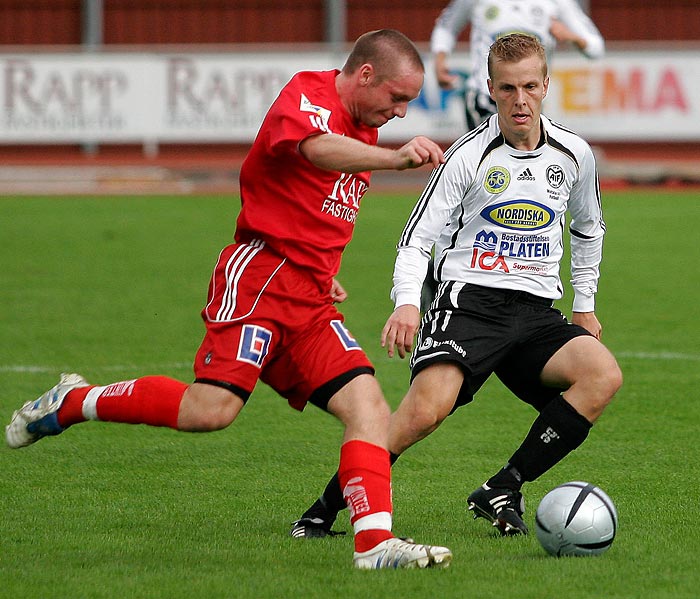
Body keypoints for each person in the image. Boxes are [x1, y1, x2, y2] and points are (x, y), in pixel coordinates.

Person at [5, 29, 454, 570]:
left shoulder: (362, 128)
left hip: (308, 296)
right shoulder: (310, 96)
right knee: (210, 411)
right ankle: (73, 402)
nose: (402, 113)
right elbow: (315, 150)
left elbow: (314, 205)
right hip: (260, 279)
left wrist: (320, 270)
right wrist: (395, 160)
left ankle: (374, 546)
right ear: (364, 75)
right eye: (397, 98)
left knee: (369, 407)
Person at [290, 33, 622, 540]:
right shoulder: (467, 156)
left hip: (536, 314)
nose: (520, 100)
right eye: (508, 88)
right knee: (423, 413)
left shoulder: (575, 155)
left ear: (546, 85)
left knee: (602, 377)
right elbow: (415, 240)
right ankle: (323, 508)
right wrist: (406, 305)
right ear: (490, 88)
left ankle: (504, 485)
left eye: (530, 86)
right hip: (469, 304)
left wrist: (586, 306)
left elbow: (588, 228)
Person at [431, 0, 605, 131]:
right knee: (493, 165)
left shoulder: (557, 2)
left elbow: (596, 47)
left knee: (522, 166)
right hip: (485, 96)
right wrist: (439, 61)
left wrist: (572, 37)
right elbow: (446, 26)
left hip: (530, 100)